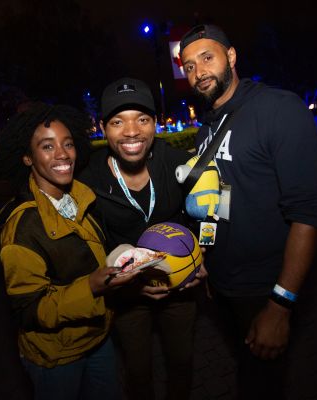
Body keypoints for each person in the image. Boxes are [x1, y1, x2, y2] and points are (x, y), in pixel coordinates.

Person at [179, 25, 317, 399]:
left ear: (231, 57)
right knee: (248, 372)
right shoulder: (205, 131)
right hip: (225, 288)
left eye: (207, 58)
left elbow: (308, 215)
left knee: (262, 385)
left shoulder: (278, 109)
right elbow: (215, 204)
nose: (199, 72)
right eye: (189, 66)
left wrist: (280, 305)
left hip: (265, 288)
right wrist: (207, 262)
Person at [0, 102, 140, 400]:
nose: (62, 154)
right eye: (47, 147)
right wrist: (92, 287)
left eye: (68, 143)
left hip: (98, 338)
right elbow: (30, 309)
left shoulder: (82, 198)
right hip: (55, 358)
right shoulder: (21, 228)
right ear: (27, 158)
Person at [78, 77, 206, 400]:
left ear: (154, 124)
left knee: (181, 362)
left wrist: (205, 258)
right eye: (119, 121)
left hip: (179, 289)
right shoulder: (88, 178)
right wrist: (126, 280)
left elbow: (221, 200)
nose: (132, 132)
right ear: (104, 127)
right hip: (126, 297)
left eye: (143, 119)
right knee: (137, 373)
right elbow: (83, 242)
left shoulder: (175, 162)